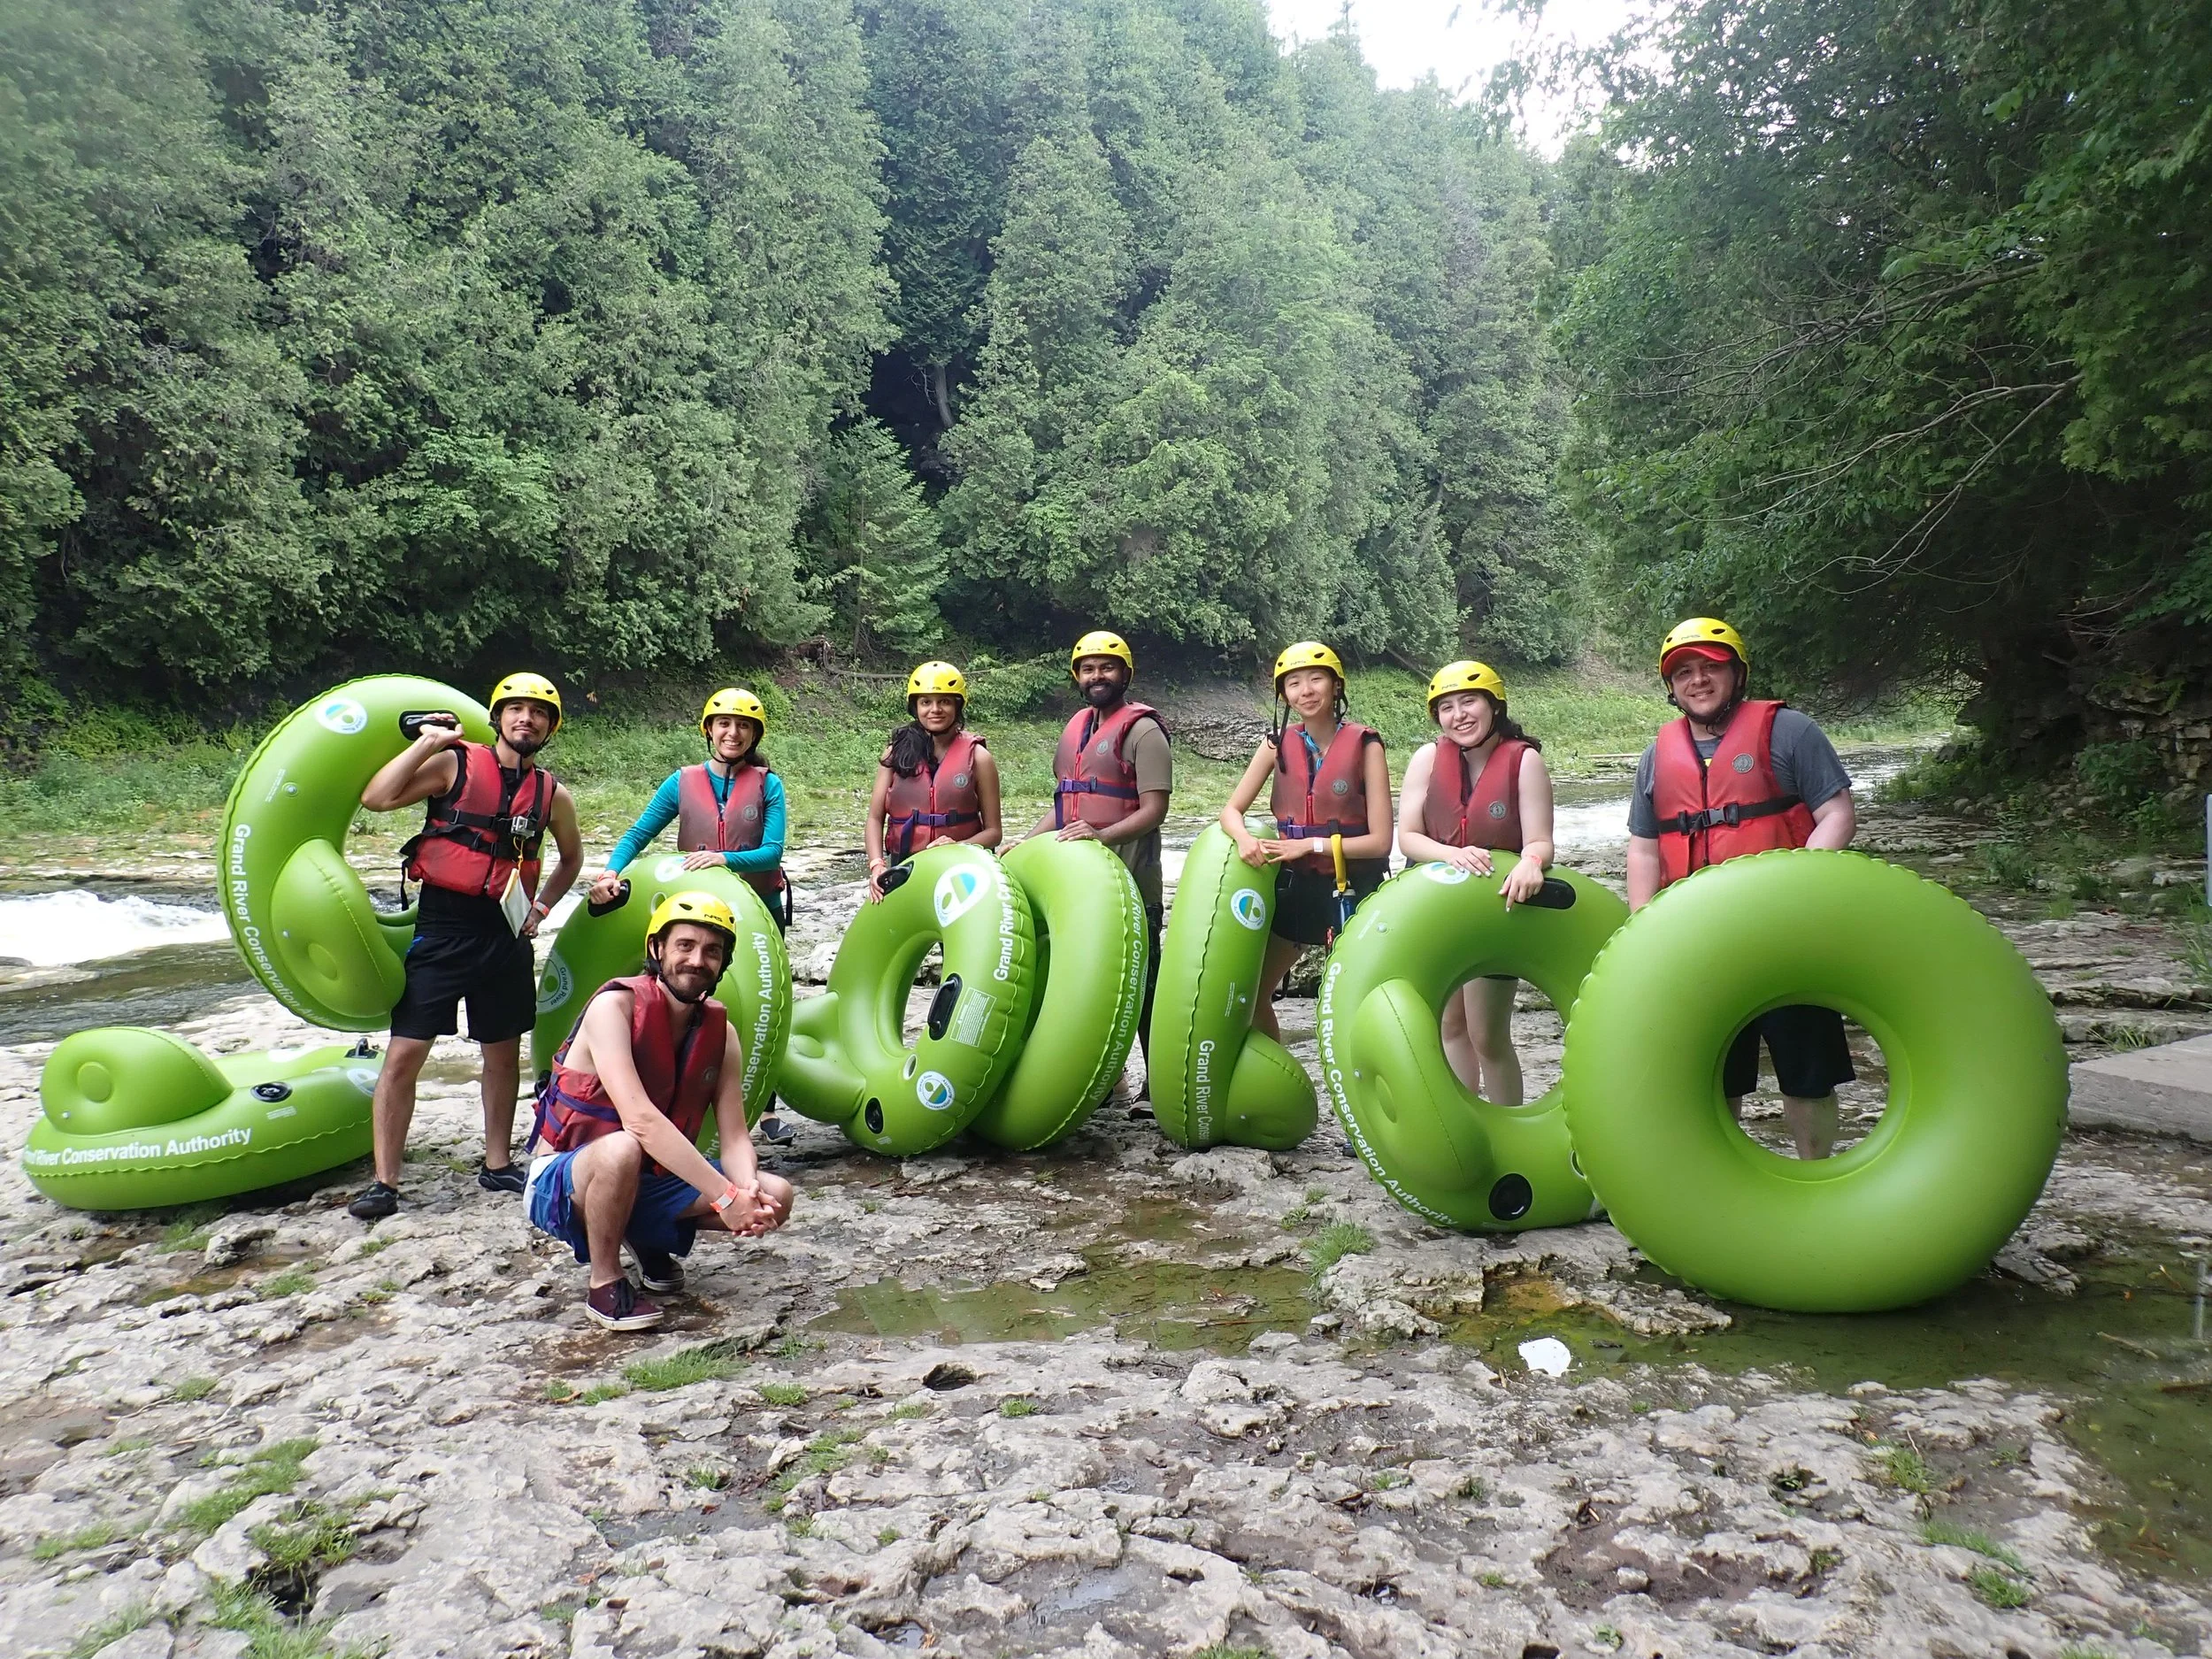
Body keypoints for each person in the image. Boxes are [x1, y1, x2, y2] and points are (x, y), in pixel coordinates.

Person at [350, 673, 584, 1220]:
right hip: (443, 924)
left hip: (505, 930)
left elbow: (571, 858)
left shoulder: (553, 794)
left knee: (501, 1052)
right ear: (499, 716)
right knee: (405, 1051)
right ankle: (385, 1181)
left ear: (550, 727)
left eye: (539, 713)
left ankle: (497, 1163)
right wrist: (428, 742)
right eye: (517, 710)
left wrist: (541, 907)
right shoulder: (454, 763)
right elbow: (376, 797)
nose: (527, 719)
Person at [1626, 617, 1858, 1159]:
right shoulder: (1658, 756)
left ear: (1736, 672)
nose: (1698, 680)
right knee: (1716, 1075)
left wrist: (1789, 884)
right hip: (1698, 941)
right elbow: (1643, 846)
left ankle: (1816, 1175)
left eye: (1710, 667)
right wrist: (1641, 922)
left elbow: (1838, 816)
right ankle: (1726, 1187)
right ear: (1672, 687)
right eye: (1684, 672)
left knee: (1807, 1073)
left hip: (1786, 933)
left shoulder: (1791, 732)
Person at [523, 892, 794, 1331]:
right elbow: (641, 1120)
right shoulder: (613, 1008)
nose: (697, 960)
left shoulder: (720, 1035)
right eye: (684, 945)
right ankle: (605, 1283)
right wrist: (725, 1198)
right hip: (564, 1179)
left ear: (723, 963)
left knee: (777, 1195)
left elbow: (736, 1136)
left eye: (712, 951)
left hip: (649, 1178)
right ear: (657, 950)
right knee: (623, 1149)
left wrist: (745, 1192)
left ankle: (643, 1236)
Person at [590, 687, 798, 1145]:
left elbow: (771, 853)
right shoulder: (682, 782)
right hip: (696, 916)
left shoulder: (769, 785)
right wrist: (611, 871)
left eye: (743, 725)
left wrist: (724, 859)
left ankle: (765, 1111)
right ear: (709, 730)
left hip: (757, 912)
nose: (733, 732)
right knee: (687, 1002)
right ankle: (681, 1102)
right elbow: (639, 833)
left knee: (764, 1007)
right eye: (723, 723)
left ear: (753, 734)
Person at [1395, 660, 1555, 1105]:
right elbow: (1407, 836)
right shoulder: (1428, 759)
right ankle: (1464, 1121)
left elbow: (1540, 839)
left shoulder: (1524, 761)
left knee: (1487, 1035)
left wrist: (1532, 862)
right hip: (1440, 908)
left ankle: (1510, 1129)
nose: (1459, 714)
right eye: (1447, 707)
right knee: (1449, 1025)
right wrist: (1452, 853)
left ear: (1493, 706)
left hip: (1494, 910)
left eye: (1469, 701)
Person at [1218, 642, 1392, 1043]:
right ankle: (1281, 1082)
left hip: (1352, 887)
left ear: (1336, 686)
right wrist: (1244, 838)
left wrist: (1310, 846)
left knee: (1356, 997)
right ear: (1284, 695)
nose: (1306, 690)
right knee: (1253, 994)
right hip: (1295, 887)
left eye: (1316, 679)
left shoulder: (1367, 744)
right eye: (1293, 684)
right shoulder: (1275, 745)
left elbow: (1381, 842)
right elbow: (1230, 811)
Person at [1033, 630, 1172, 1097]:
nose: (1098, 676)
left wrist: (1103, 836)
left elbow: (1154, 810)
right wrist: (1024, 841)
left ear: (1125, 674)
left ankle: (1159, 1086)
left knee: (1145, 987)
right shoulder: (1074, 729)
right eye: (1088, 668)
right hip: (1079, 885)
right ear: (1077, 676)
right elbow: (1065, 806)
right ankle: (1108, 1079)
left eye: (1107, 667)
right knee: (1083, 983)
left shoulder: (1144, 731)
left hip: (1132, 878)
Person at [865, 661, 1002, 900]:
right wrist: (877, 864)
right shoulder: (894, 754)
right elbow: (875, 818)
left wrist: (959, 846)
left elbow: (994, 832)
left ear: (957, 706)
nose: (935, 709)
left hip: (961, 868)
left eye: (945, 702)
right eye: (926, 702)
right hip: (906, 864)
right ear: (915, 707)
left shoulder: (979, 758)